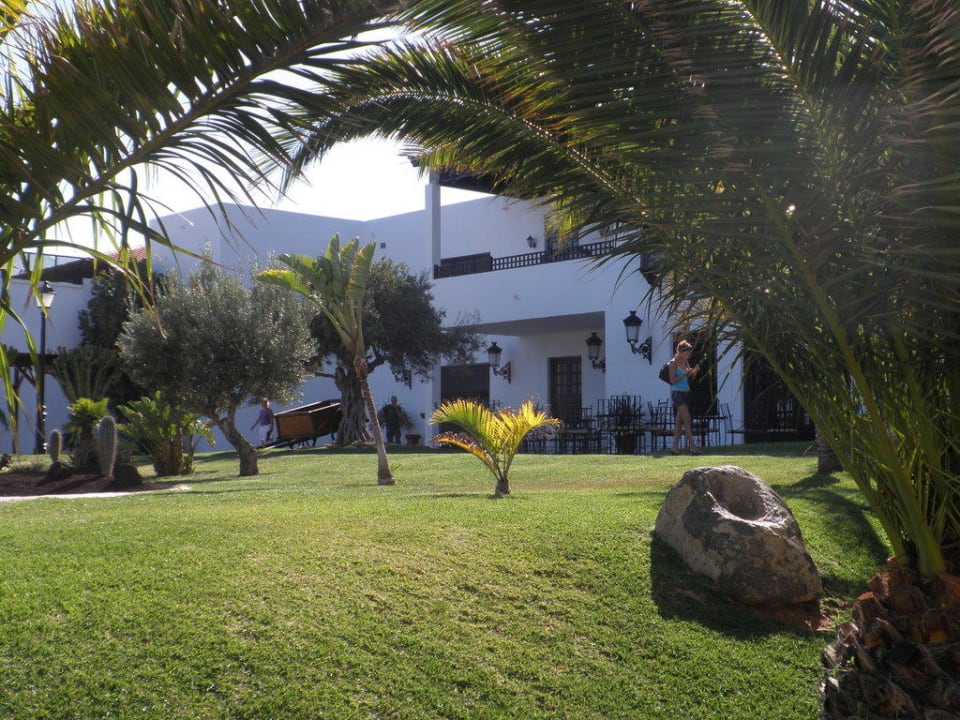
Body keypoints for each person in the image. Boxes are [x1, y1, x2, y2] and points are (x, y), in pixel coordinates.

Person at [669, 340, 701, 455]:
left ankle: (674, 448)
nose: (687, 356)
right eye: (686, 354)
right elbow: (672, 380)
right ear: (680, 352)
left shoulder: (685, 362)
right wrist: (683, 374)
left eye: (688, 354)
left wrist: (694, 372)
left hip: (686, 393)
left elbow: (690, 377)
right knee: (687, 420)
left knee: (679, 422)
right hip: (677, 394)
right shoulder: (673, 363)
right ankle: (693, 446)